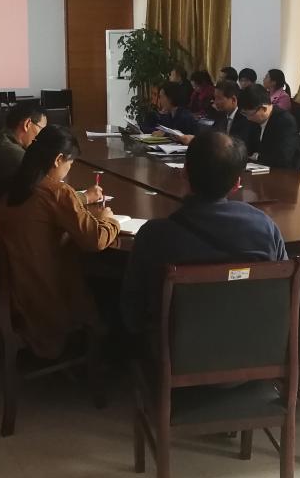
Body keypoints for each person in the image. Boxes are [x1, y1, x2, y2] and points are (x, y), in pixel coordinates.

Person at [121, 131, 288, 335]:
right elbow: (282, 296)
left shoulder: (154, 235)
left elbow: (133, 313)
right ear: (237, 184)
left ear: (184, 172)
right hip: (257, 345)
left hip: (177, 350)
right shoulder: (265, 228)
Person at [0, 126, 119, 359]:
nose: (68, 170)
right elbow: (95, 240)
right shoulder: (57, 192)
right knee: (105, 278)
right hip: (45, 297)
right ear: (58, 159)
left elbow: (40, 207)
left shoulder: (6, 185)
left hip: (8, 289)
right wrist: (109, 220)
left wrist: (82, 198)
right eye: (70, 164)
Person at [237, 84, 300, 168]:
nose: (247, 118)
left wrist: (257, 156)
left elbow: (283, 157)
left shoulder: (285, 121)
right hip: (257, 168)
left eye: (248, 114)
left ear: (264, 108)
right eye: (244, 114)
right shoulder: (253, 119)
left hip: (285, 172)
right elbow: (246, 146)